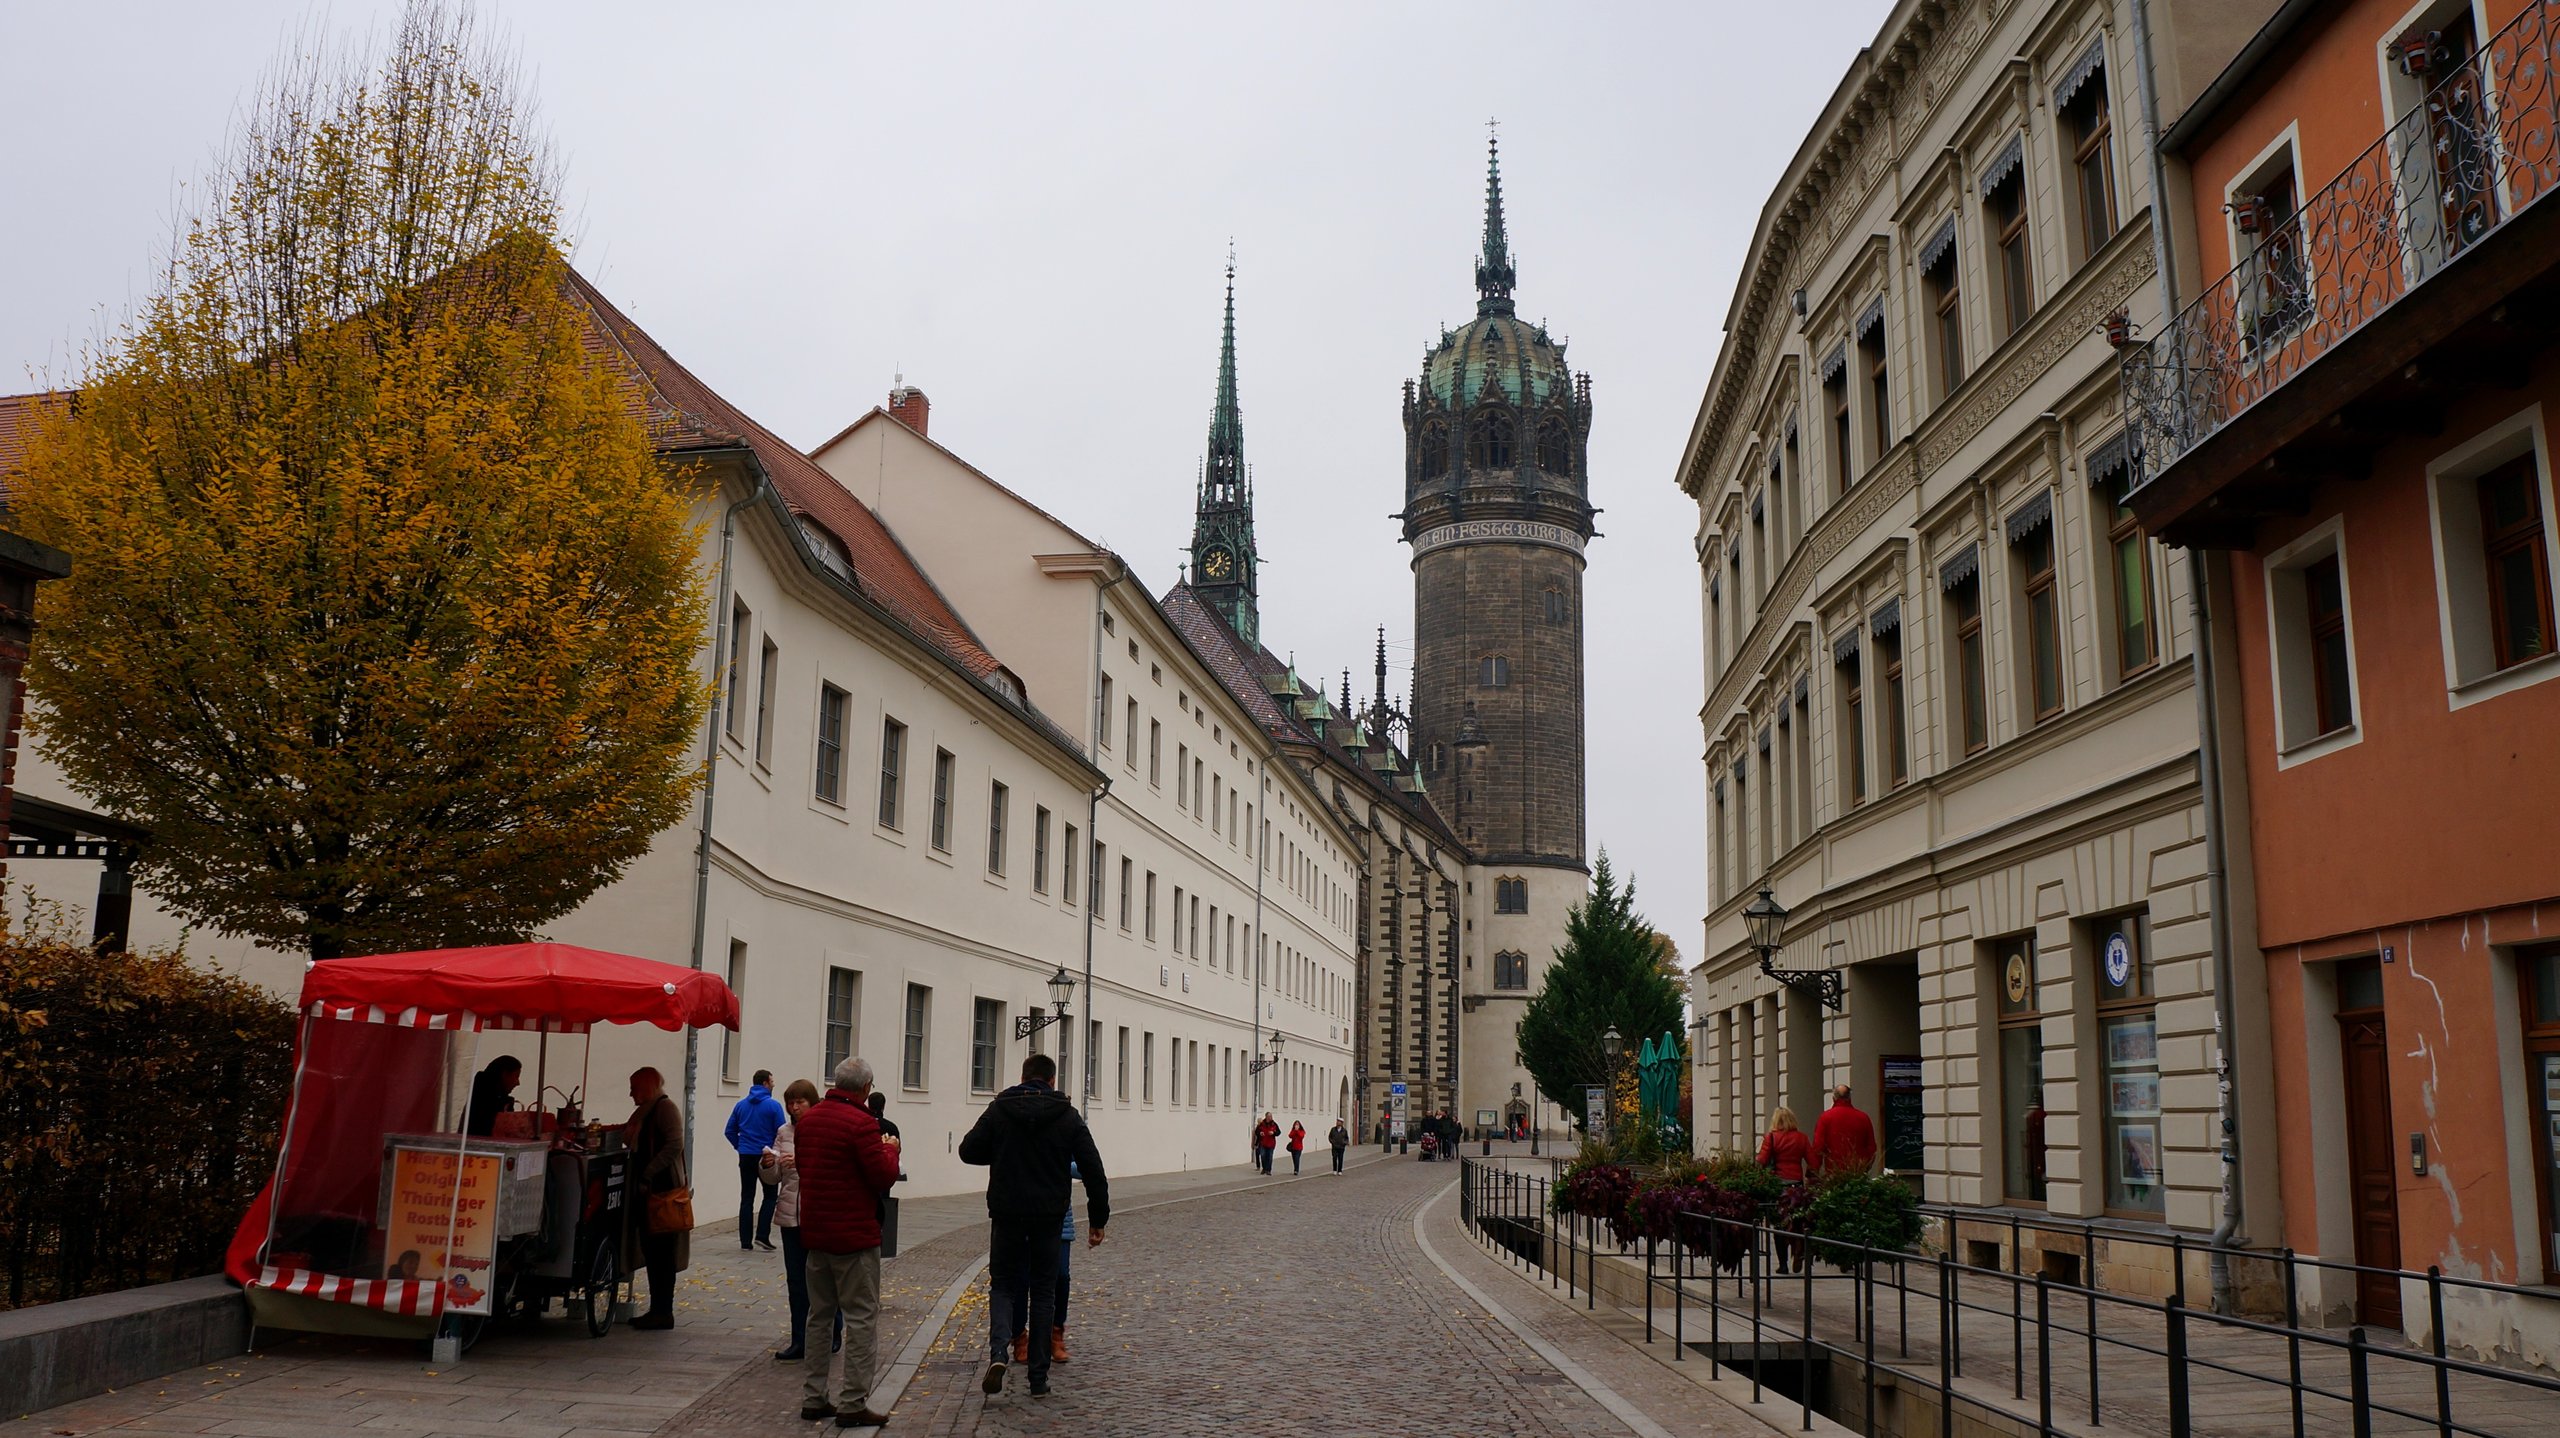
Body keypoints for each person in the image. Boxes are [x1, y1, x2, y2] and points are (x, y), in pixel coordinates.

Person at [960, 1053, 1110, 1400]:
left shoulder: (1000, 1109)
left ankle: (1000, 1352)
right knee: (1043, 1290)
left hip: (1007, 1211)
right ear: (1052, 1081)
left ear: (1022, 1077)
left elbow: (968, 1150)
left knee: (1003, 1285)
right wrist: (1098, 1219)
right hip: (1048, 1215)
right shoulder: (1067, 1115)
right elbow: (1093, 1169)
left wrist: (1003, 1151)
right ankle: (1038, 1377)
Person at [792, 1058, 903, 1427]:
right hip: (854, 1235)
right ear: (866, 1088)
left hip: (816, 1232)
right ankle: (852, 1402)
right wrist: (891, 1149)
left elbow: (808, 1169)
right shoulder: (862, 1123)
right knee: (860, 1319)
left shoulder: (809, 1121)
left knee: (819, 1317)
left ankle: (813, 1396)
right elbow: (882, 1176)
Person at [760, 1080, 841, 1363]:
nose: (794, 1108)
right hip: (790, 1215)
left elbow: (831, 1169)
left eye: (800, 1102)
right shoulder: (784, 1132)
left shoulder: (823, 1129)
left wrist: (802, 1162)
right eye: (790, 1103)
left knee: (823, 1279)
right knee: (796, 1281)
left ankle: (831, 1332)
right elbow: (774, 1178)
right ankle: (800, 1339)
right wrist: (768, 1165)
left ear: (812, 1102)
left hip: (817, 1214)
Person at [623, 1067, 688, 1330]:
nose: (630, 1094)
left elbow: (674, 1145)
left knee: (661, 1252)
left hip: (662, 1192)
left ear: (647, 1087)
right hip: (651, 1190)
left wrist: (649, 1172)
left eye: (634, 1088)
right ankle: (658, 1309)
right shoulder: (649, 1110)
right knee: (653, 1251)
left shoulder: (664, 1108)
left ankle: (662, 1311)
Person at [1007, 1162, 1080, 1367]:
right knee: (1022, 1280)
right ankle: (1019, 1336)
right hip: (1023, 1214)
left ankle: (1056, 1333)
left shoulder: (1068, 1139)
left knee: (1061, 1277)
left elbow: (1084, 1166)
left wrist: (1056, 1161)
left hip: (1058, 1217)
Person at [726, 1069, 788, 1251]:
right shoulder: (773, 1106)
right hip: (766, 1156)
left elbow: (729, 1130)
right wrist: (776, 1152)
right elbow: (781, 1132)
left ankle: (745, 1241)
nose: (773, 1084)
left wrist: (740, 1146)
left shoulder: (741, 1105)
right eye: (772, 1081)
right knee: (770, 1196)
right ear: (765, 1083)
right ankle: (762, 1235)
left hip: (746, 1155)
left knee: (747, 1197)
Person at [1756, 1105, 1812, 1272]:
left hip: (1778, 1186)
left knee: (1780, 1224)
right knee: (1797, 1221)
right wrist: (1809, 1177)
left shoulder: (1771, 1137)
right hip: (1797, 1185)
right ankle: (1798, 1249)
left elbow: (1762, 1160)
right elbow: (1814, 1161)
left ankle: (1783, 1264)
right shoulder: (1802, 1138)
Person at [1811, 1084, 1880, 1178]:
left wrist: (1813, 1172)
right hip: (1858, 1172)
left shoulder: (1825, 1117)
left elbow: (1818, 1147)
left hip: (1834, 1172)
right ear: (1849, 1098)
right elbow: (1871, 1147)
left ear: (1834, 1098)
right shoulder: (1863, 1118)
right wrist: (1865, 1167)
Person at [463, 1055, 521, 1137]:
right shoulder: (484, 1099)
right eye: (516, 1076)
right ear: (505, 1074)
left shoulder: (481, 1092)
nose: (518, 1083)